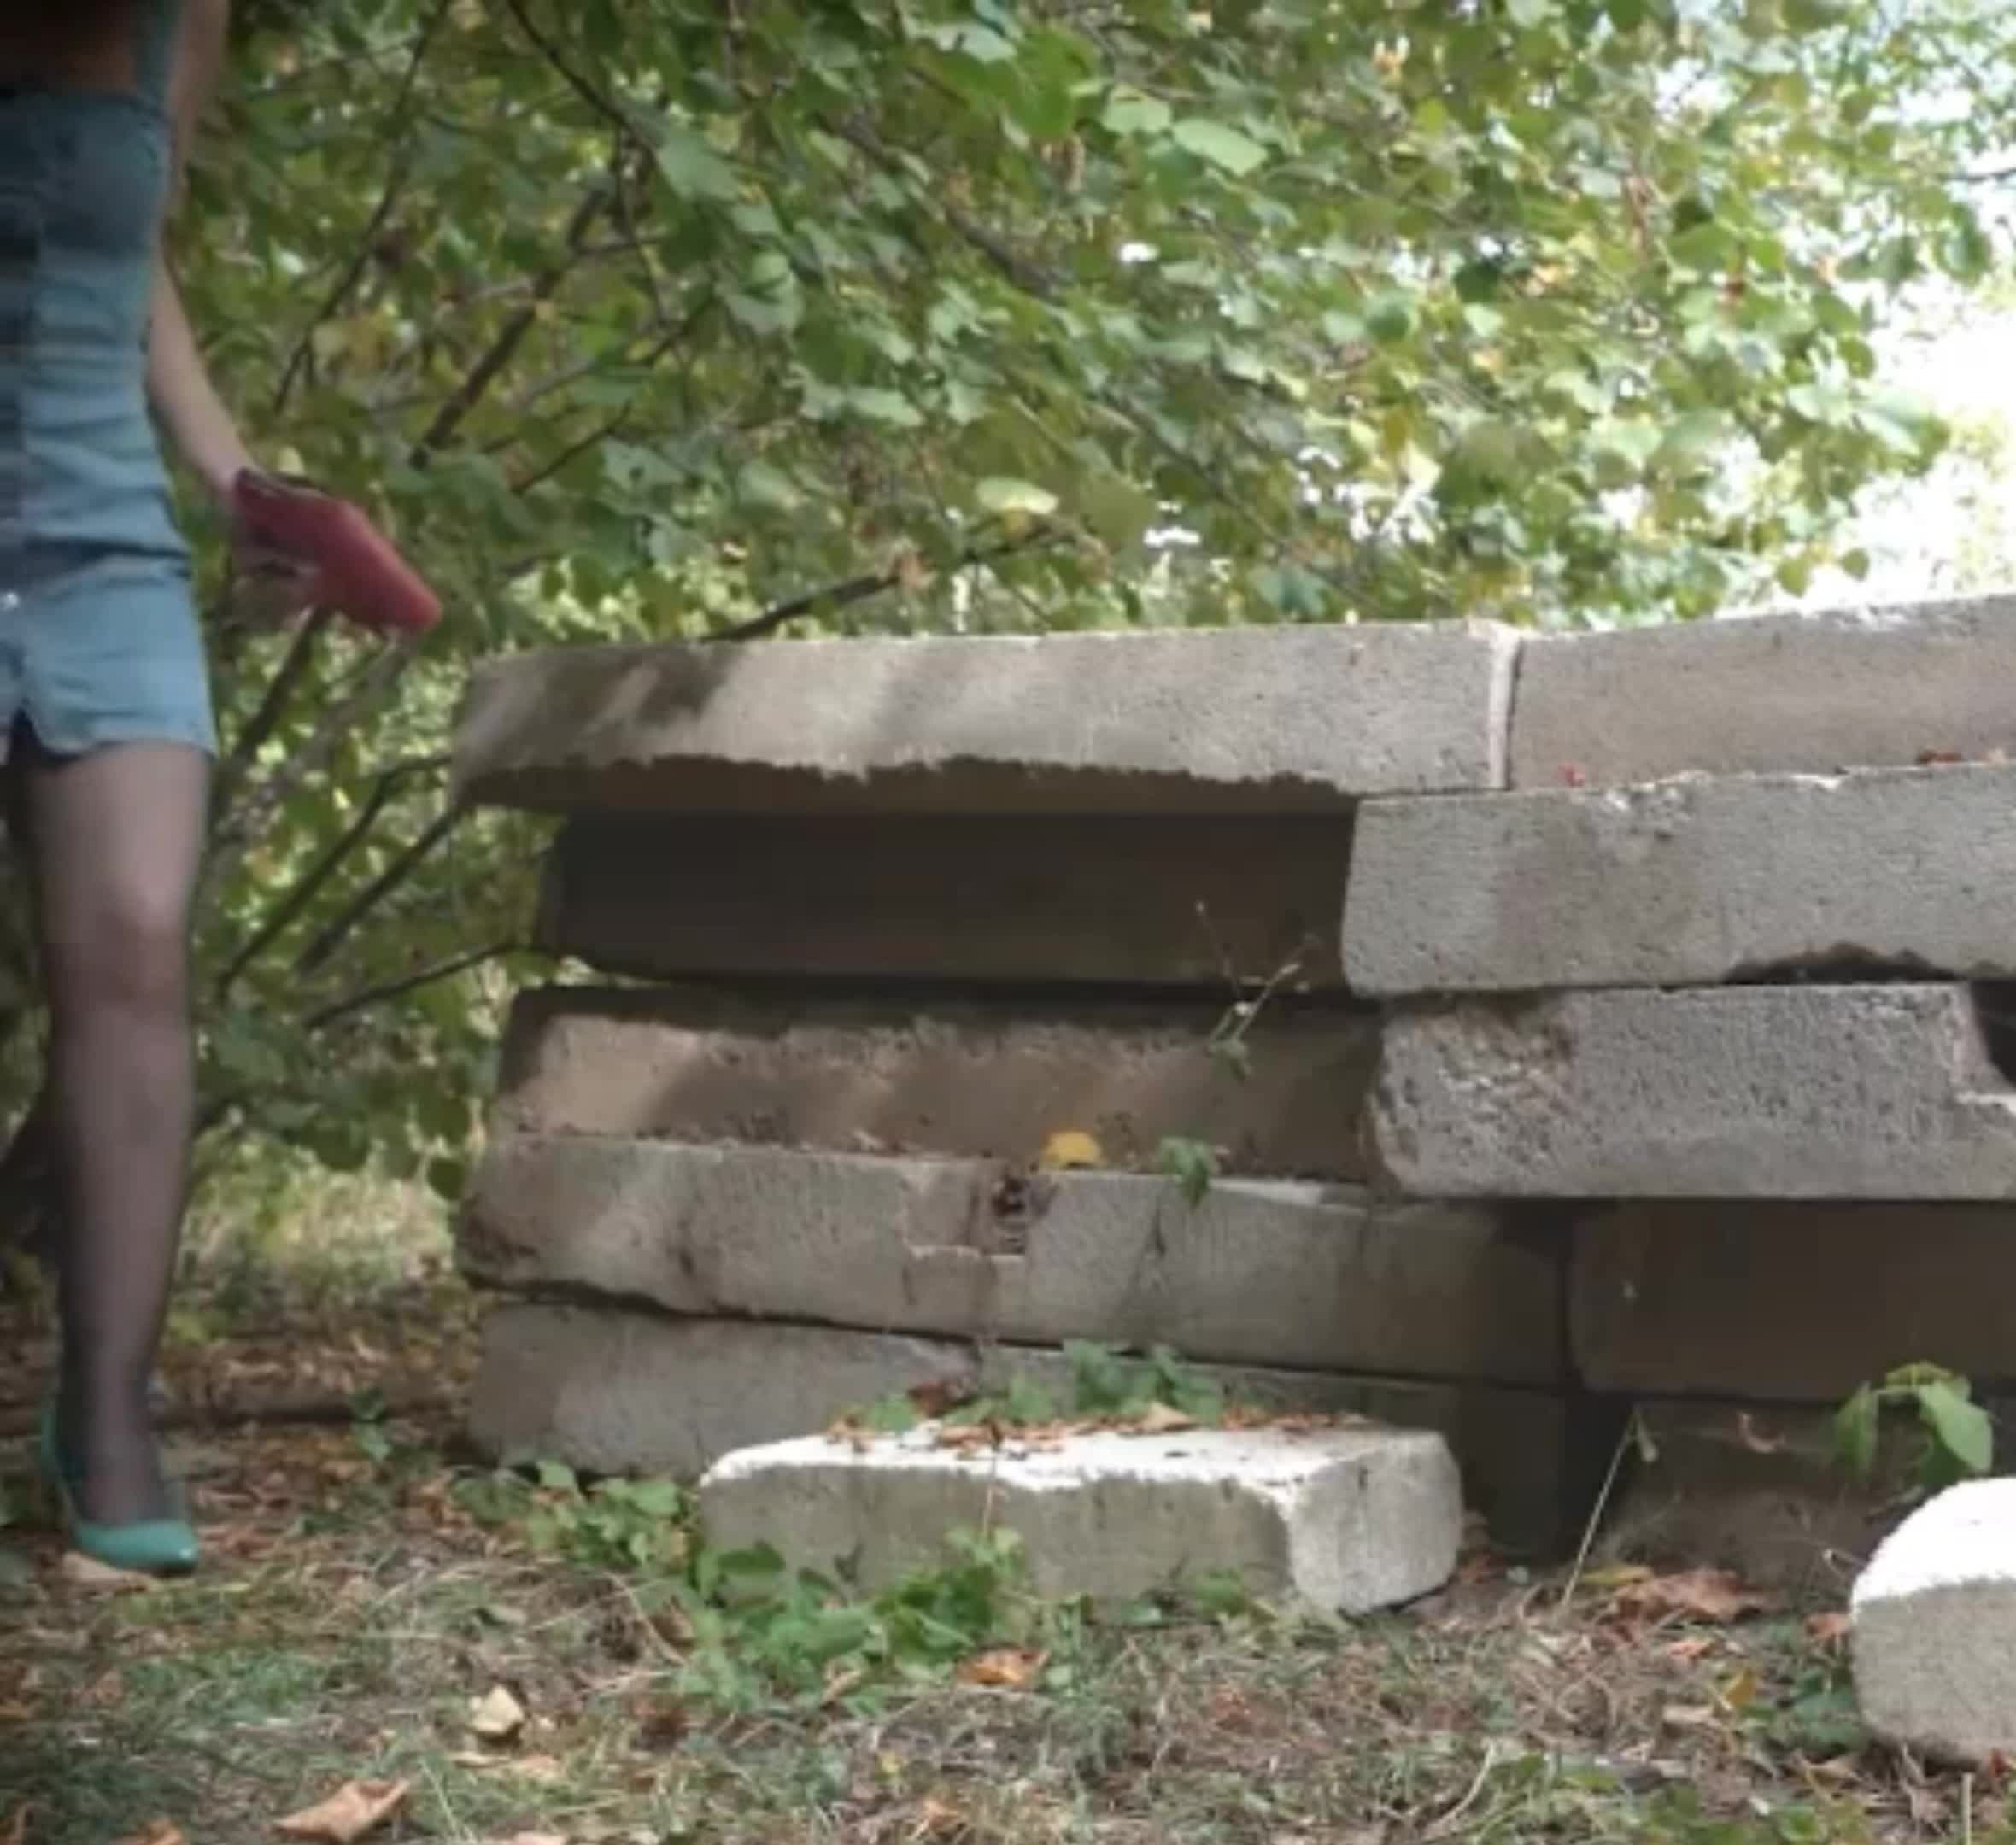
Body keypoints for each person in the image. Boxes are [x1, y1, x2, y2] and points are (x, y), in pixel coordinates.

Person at [3, 0, 266, 1575]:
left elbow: (136, 253)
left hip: (100, 527)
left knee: (134, 933)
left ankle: (105, 1415)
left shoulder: (181, 21)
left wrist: (238, 479)